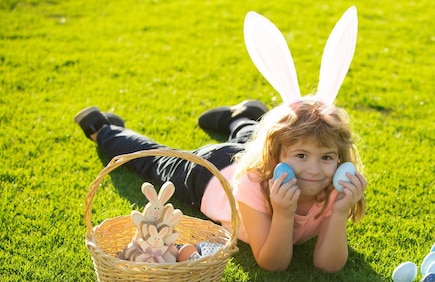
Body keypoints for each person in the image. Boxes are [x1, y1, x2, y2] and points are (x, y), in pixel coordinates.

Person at [74, 98, 367, 272]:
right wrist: (283, 212)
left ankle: (243, 115)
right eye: (301, 155)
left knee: (249, 141)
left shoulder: (333, 185)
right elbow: (272, 263)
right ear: (275, 157)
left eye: (326, 157)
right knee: (156, 163)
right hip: (208, 174)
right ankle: (103, 129)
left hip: (244, 157)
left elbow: (328, 266)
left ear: (339, 159)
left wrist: (339, 212)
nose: (314, 170)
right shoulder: (255, 182)